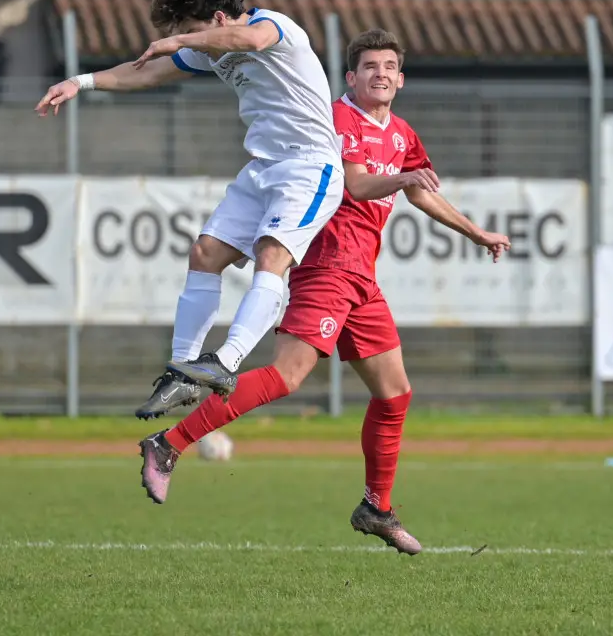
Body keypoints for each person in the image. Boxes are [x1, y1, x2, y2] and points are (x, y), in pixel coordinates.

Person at [137, 29, 512, 555]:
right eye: (369, 66)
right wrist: (403, 182)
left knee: (394, 394)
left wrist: (476, 233)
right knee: (286, 376)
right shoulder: (337, 120)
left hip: (362, 279)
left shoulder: (401, 133)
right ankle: (168, 445)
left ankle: (375, 508)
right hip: (326, 267)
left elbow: (420, 188)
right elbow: (357, 184)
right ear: (350, 78)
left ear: (401, 80)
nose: (380, 73)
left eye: (389, 66)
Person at [36, 0, 346, 417]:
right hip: (262, 168)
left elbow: (254, 40)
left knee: (271, 257)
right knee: (204, 253)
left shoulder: (275, 26)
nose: (184, 41)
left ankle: (224, 362)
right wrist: (80, 83)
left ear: (219, 18)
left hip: (309, 166)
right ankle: (182, 372)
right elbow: (143, 74)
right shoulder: (212, 51)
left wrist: (182, 41)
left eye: (190, 30)